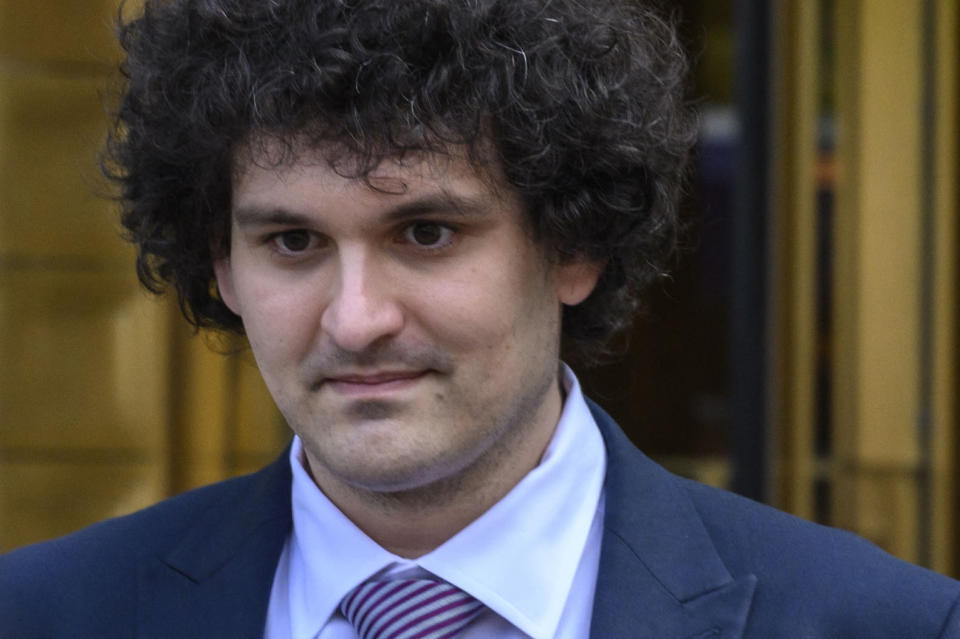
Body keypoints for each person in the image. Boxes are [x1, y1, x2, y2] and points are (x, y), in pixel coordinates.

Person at [2, 0, 959, 637]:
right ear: (223, 262)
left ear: (572, 243)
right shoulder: (45, 613)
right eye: (293, 242)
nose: (358, 317)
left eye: (425, 232)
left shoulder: (884, 624)